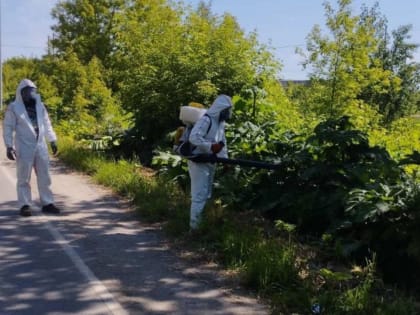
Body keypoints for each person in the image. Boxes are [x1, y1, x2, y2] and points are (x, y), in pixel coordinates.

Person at [3, 79, 60, 217]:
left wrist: (52, 140)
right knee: (24, 177)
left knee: (44, 175)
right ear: (20, 92)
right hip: (24, 146)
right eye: (26, 91)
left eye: (31, 90)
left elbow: (47, 124)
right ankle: (25, 205)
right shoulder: (14, 107)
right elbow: (8, 127)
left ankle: (47, 203)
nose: (29, 93)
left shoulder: (40, 106)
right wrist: (9, 146)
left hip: (40, 145)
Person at [187, 94, 233, 230]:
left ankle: (201, 224)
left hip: (210, 161)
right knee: (199, 195)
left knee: (206, 193)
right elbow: (193, 137)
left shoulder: (220, 123)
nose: (228, 113)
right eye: (227, 110)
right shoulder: (206, 120)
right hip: (198, 162)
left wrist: (225, 160)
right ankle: (194, 229)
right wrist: (210, 146)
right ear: (220, 109)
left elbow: (222, 143)